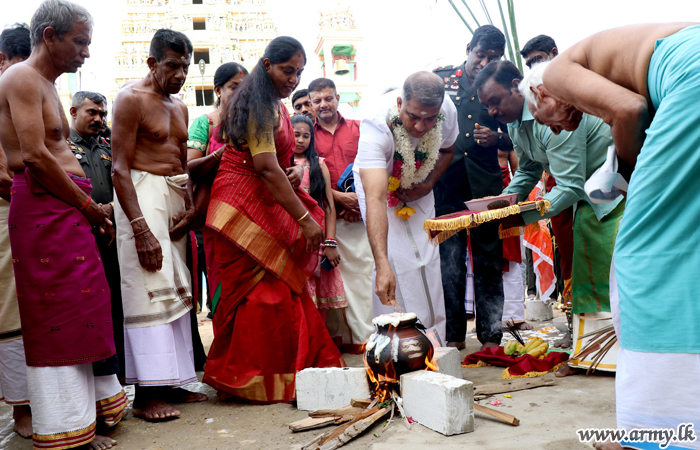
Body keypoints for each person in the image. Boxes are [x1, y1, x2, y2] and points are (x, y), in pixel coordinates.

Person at [541, 23, 700, 448]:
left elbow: (628, 110)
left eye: (548, 123)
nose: (557, 129)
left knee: (646, 252)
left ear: (540, 95)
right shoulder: (605, 58)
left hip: (694, 75)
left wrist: (630, 177)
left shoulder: (555, 72)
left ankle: (658, 429)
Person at [0, 2, 127, 448]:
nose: (87, 53)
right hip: (42, 210)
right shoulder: (19, 78)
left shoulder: (48, 84)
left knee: (84, 313)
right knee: (57, 318)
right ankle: (63, 428)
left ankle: (85, 418)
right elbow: (34, 157)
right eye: (81, 41)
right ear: (50, 35)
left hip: (64, 209)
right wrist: (89, 207)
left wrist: (86, 208)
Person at [202, 36, 345, 403]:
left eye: (299, 72)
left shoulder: (274, 104)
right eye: (287, 70)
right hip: (242, 204)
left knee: (280, 289)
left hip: (261, 200)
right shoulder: (260, 105)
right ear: (266, 65)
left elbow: (273, 164)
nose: (294, 79)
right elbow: (264, 167)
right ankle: (252, 378)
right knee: (260, 296)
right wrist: (304, 218)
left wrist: (291, 175)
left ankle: (283, 375)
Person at [475, 59, 625, 375]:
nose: (492, 112)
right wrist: (503, 203)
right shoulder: (515, 121)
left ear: (519, 87)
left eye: (495, 101)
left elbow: (568, 186)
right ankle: (592, 353)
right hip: (589, 191)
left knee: (603, 268)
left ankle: (617, 353)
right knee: (585, 271)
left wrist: (518, 216)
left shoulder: (551, 111)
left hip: (615, 183)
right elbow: (529, 167)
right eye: (486, 106)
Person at [112, 28, 207, 422]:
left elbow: (180, 162)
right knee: (148, 288)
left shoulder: (181, 106)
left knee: (172, 289)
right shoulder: (130, 99)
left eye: (186, 66)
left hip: (171, 198)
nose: (181, 74)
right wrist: (139, 227)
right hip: (139, 195)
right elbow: (119, 168)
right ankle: (146, 395)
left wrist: (186, 205)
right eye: (172, 65)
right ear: (152, 63)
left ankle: (172, 381)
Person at [354, 71, 459, 343]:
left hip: (420, 182)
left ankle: (435, 343)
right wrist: (382, 261)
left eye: (429, 119)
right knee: (393, 262)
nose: (421, 127)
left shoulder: (446, 110)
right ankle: (395, 345)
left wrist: (428, 184)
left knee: (427, 260)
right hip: (378, 185)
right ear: (400, 103)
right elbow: (375, 197)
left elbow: (447, 150)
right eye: (414, 116)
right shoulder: (375, 126)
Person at [433, 25, 510, 350]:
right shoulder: (441, 80)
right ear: (469, 48)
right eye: (481, 55)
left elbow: (518, 130)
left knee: (489, 257)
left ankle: (491, 333)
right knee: (449, 260)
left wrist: (499, 139)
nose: (485, 62)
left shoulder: (503, 85)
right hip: (446, 183)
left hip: (485, 184)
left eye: (493, 57)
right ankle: (453, 335)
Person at [308, 77, 374, 353]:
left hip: (362, 217)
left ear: (337, 98)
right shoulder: (306, 135)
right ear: (310, 105)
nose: (324, 104)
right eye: (317, 101)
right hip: (328, 218)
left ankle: (367, 336)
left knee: (363, 277)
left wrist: (359, 201)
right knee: (334, 280)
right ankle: (342, 339)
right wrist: (339, 198)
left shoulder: (360, 129)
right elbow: (308, 177)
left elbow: (373, 166)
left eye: (328, 98)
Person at [68, 91, 127, 382]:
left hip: (111, 234)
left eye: (102, 114)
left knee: (115, 301)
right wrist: (92, 211)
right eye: (92, 112)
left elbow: (123, 182)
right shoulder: (61, 147)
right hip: (78, 236)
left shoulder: (108, 145)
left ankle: (117, 374)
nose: (98, 119)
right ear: (73, 111)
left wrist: (110, 210)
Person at [187, 62, 247, 329]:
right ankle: (227, 351)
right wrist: (223, 152)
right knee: (222, 281)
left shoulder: (254, 123)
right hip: (217, 217)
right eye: (234, 86)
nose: (240, 93)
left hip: (250, 215)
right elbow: (189, 167)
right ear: (218, 90)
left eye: (244, 87)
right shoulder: (206, 123)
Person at [520, 34, 574, 323]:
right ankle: (575, 319)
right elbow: (529, 167)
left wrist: (523, 214)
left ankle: (594, 325)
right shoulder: (535, 100)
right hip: (558, 189)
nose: (533, 67)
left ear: (554, 53)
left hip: (596, 188)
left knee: (591, 254)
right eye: (529, 64)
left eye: (538, 60)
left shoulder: (575, 84)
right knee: (566, 254)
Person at [0, 22, 32, 440]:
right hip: (7, 211)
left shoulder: (33, 88)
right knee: (10, 311)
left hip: (33, 210)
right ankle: (21, 407)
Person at [291, 114, 347, 315]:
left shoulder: (319, 164)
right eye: (296, 134)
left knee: (317, 302)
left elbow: (329, 207)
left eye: (306, 136)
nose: (300, 140)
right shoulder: (278, 164)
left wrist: (330, 243)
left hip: (315, 240)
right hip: (289, 242)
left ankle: (316, 344)